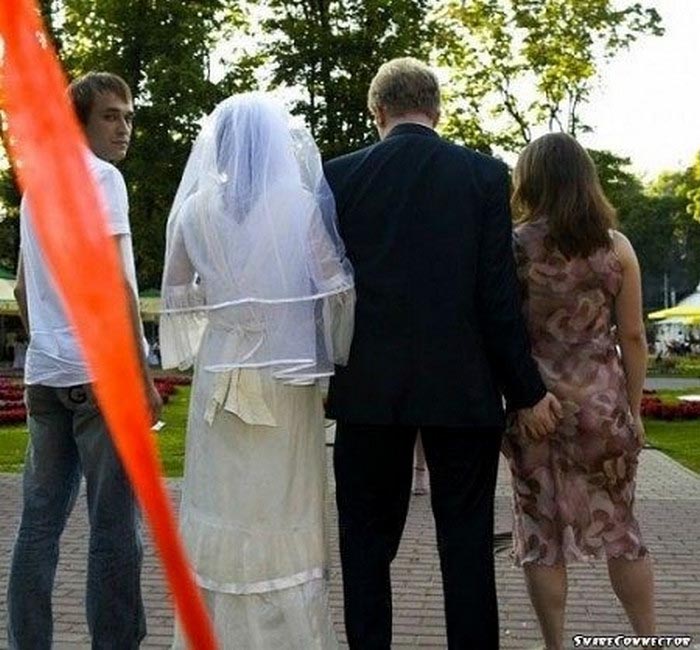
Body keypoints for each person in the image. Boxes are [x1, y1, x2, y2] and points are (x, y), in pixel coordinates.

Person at [323, 57, 561, 649]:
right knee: (466, 544)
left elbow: (326, 291)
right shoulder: (483, 176)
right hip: (462, 388)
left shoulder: (338, 177)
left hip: (368, 389)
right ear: (436, 109)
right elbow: (496, 295)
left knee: (365, 545)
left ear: (377, 111)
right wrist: (526, 390)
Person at [160, 93, 355, 649]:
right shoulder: (300, 204)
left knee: (222, 498)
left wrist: (224, 307)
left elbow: (176, 292)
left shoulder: (195, 209)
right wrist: (328, 341)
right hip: (283, 378)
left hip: (221, 371)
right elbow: (336, 289)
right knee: (281, 501)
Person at [7, 72, 162, 649]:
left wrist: (49, 347)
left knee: (39, 525)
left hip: (46, 377)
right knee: (115, 528)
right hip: (100, 378)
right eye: (110, 116)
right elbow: (119, 286)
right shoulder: (102, 178)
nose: (124, 128)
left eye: (129, 116)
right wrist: (142, 376)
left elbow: (23, 287)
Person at [503, 132, 655, 650]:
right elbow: (632, 336)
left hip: (536, 412)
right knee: (623, 532)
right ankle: (648, 640)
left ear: (529, 180)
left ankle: (556, 645)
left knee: (541, 538)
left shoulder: (512, 247)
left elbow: (500, 331)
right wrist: (633, 410)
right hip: (603, 411)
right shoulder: (615, 248)